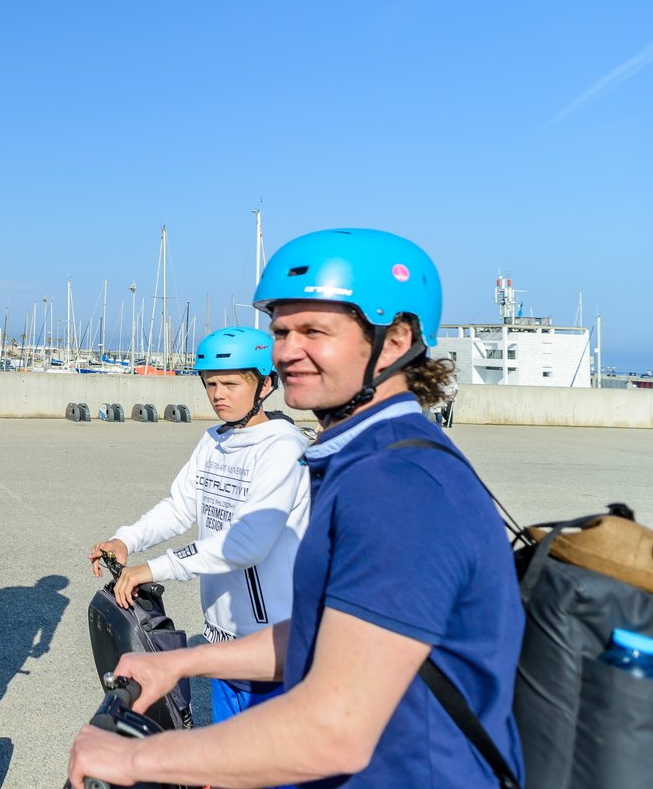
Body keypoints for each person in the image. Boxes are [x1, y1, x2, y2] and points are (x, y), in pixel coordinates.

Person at [68, 228, 525, 789]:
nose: (287, 350)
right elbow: (321, 634)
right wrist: (182, 661)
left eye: (315, 330)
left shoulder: (399, 485)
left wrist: (136, 760)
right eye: (281, 330)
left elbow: (336, 728)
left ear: (397, 338)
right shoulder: (361, 459)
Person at [88, 325, 310, 725]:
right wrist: (126, 540)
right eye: (210, 383)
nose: (218, 394)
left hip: (274, 644)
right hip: (222, 640)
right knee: (231, 761)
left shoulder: (283, 447)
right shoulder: (215, 440)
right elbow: (178, 507)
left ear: (265, 384)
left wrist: (156, 568)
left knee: (275, 768)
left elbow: (248, 543)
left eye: (230, 383)